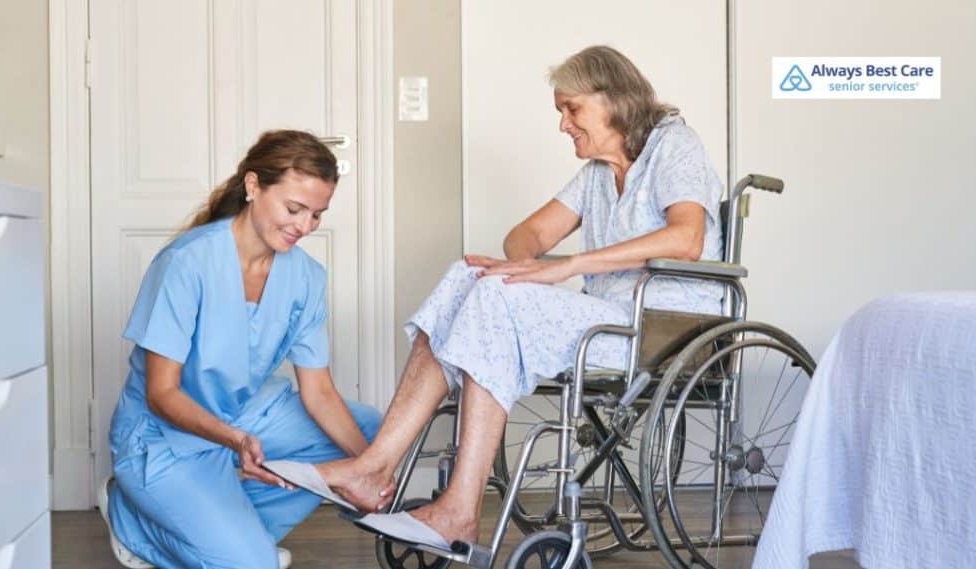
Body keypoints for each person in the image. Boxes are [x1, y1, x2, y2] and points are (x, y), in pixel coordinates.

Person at [320, 44, 725, 546]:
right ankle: (375, 466)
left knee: (496, 297)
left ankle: (459, 511)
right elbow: (524, 235)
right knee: (465, 278)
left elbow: (687, 239)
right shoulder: (598, 171)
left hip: (664, 326)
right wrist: (526, 263)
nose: (563, 124)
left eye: (571, 109)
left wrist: (571, 265)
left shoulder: (675, 147)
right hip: (608, 318)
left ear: (614, 100)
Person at [99, 130, 382, 568]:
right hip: (163, 436)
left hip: (242, 415)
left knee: (370, 434)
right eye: (294, 209)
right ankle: (132, 519)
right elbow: (161, 393)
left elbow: (319, 392)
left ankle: (232, 531)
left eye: (317, 215)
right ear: (253, 187)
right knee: (252, 564)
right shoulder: (186, 263)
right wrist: (234, 440)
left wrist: (370, 469)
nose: (304, 227)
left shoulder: (307, 278)